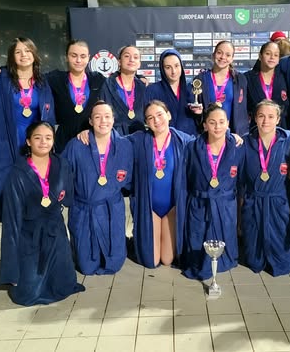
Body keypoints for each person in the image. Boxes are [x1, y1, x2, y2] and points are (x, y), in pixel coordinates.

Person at [0, 122, 85, 305]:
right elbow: (11, 223)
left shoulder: (62, 164)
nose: (43, 142)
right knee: (27, 295)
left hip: (55, 231)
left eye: (48, 137)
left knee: (63, 286)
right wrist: (10, 271)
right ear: (28, 142)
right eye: (37, 138)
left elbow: (68, 198)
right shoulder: (18, 173)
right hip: (29, 234)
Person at [0, 39, 105, 153]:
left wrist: (92, 130)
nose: (78, 60)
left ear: (89, 57)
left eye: (83, 56)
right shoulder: (54, 79)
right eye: (73, 55)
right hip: (62, 144)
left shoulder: (98, 80)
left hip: (89, 140)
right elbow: (24, 69)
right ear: (66, 57)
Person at [0, 37, 55, 222]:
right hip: (6, 141)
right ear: (12, 57)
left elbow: (48, 116)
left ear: (34, 54)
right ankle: (10, 223)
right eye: (18, 52)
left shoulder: (42, 82)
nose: (23, 55)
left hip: (34, 143)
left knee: (34, 185)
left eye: (27, 50)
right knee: (7, 185)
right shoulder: (0, 79)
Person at [63, 101, 133, 275]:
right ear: (90, 121)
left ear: (113, 119)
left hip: (111, 209)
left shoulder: (125, 146)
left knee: (114, 264)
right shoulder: (76, 145)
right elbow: (63, 175)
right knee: (86, 267)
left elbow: (129, 178)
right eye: (97, 117)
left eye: (107, 116)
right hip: (84, 208)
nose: (103, 121)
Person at [182, 104, 244, 280]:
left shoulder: (238, 147)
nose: (217, 126)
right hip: (200, 203)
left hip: (225, 204)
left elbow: (241, 181)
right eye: (212, 122)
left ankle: (224, 260)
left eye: (221, 122)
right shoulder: (192, 147)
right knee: (198, 241)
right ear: (205, 125)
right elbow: (186, 177)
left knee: (224, 243)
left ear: (228, 124)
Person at [128, 101, 193, 268]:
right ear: (146, 122)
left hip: (172, 208)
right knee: (152, 261)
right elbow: (113, 141)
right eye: (150, 118)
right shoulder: (139, 140)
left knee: (167, 259)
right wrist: (87, 133)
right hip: (149, 207)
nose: (156, 120)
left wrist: (230, 136)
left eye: (159, 115)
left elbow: (206, 142)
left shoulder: (183, 140)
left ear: (168, 115)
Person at [240, 100, 290, 275]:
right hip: (253, 202)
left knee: (283, 255)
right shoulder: (244, 142)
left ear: (278, 119)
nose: (266, 121)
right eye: (261, 116)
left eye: (271, 116)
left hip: (279, 203)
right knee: (253, 258)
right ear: (254, 118)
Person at [193, 40, 249, 136]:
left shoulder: (240, 79)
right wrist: (198, 113)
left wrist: (241, 134)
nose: (223, 57)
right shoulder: (201, 79)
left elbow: (243, 110)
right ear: (213, 55)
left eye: (228, 55)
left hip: (234, 136)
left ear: (232, 58)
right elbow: (196, 111)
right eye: (219, 53)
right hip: (209, 134)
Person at [145, 49, 198, 135]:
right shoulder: (152, 90)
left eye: (176, 66)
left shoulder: (192, 89)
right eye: (168, 67)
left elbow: (200, 121)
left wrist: (199, 114)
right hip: (164, 139)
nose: (173, 71)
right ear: (162, 69)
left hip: (190, 140)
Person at [98, 45, 147, 135]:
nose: (131, 60)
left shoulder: (142, 87)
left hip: (139, 137)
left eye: (136, 57)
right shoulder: (106, 85)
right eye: (127, 56)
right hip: (114, 137)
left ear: (139, 64)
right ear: (119, 61)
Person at [244, 41, 290, 130]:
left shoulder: (284, 78)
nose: (272, 57)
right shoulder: (247, 78)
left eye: (276, 55)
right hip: (255, 129)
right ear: (260, 56)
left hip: (280, 130)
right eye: (268, 53)